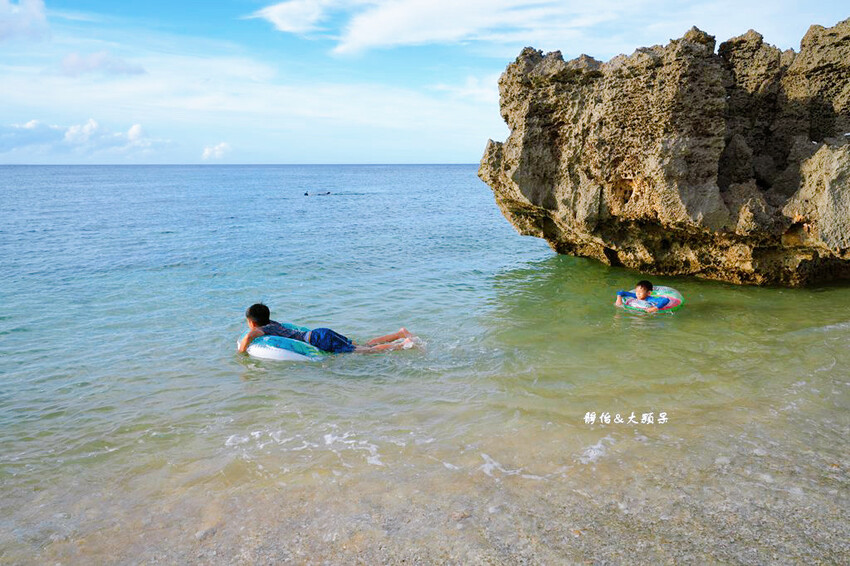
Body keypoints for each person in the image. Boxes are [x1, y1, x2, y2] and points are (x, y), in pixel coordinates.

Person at [237, 303, 418, 354]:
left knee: (362, 351)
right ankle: (400, 333)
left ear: (252, 323)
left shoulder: (259, 330)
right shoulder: (274, 324)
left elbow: (249, 336)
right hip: (318, 333)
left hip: (318, 339)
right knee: (365, 345)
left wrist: (241, 352)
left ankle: (403, 344)